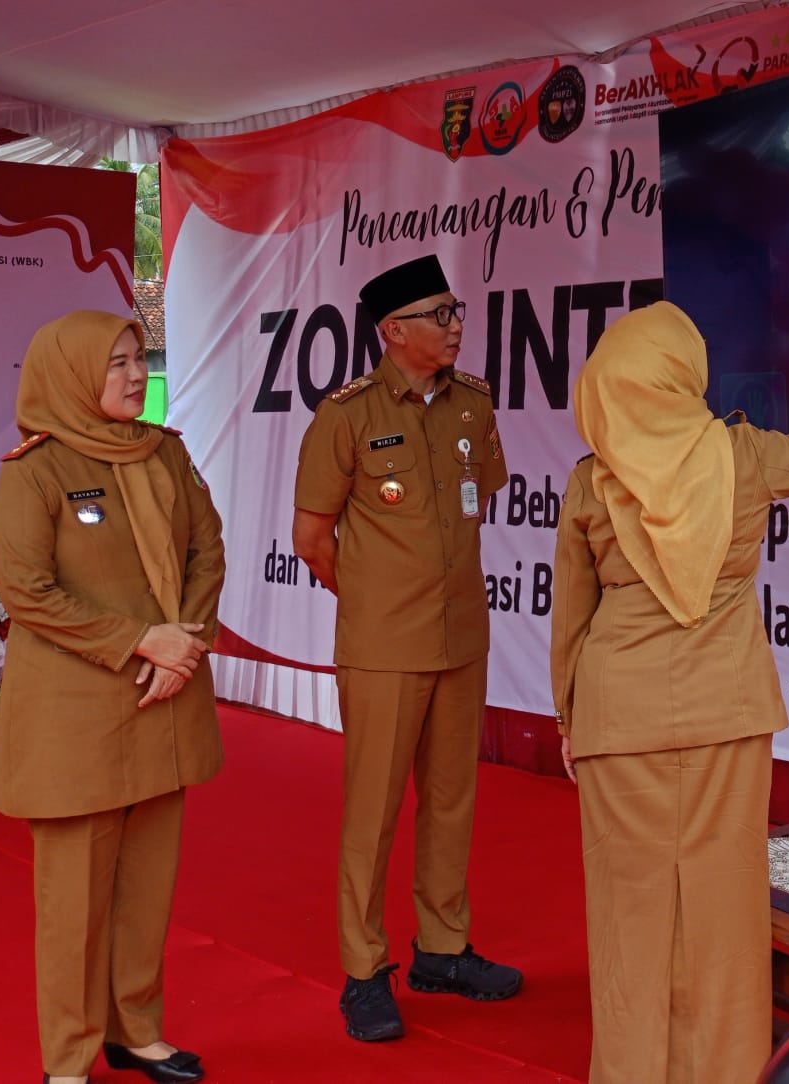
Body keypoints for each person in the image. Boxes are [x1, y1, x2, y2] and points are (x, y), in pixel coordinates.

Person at [550, 303, 789, 1084]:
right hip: (727, 713)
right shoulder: (746, 454)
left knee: (631, 918)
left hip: (618, 720)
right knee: (724, 914)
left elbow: (570, 620)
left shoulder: (592, 480)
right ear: (683, 374)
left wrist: (569, 719)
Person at [0, 311, 225, 1084]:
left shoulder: (166, 453)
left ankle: (137, 1031)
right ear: (69, 375)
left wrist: (183, 642)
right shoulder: (36, 470)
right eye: (114, 363)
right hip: (77, 716)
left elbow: (206, 549)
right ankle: (67, 1060)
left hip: (163, 701)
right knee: (73, 906)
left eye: (135, 359)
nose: (132, 373)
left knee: (147, 890)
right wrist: (139, 642)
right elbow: (27, 592)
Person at [292, 254, 522, 1044]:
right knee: (374, 811)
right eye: (439, 313)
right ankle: (364, 971)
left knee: (453, 800)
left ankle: (443, 950)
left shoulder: (472, 403)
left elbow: (476, 501)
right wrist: (374, 600)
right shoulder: (346, 415)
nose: (456, 324)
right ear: (393, 332)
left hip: (461, 635)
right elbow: (312, 537)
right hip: (385, 644)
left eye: (456, 310)